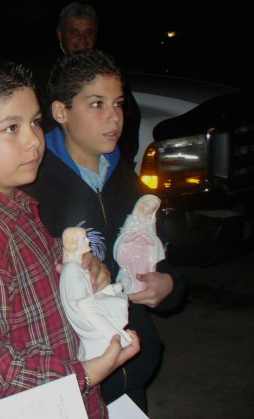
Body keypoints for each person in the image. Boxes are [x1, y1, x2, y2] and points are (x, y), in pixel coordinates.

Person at [0, 56, 140, 418]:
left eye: (35, 122)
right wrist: (88, 372)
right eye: (11, 128)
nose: (34, 141)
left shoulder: (16, 206)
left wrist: (83, 275)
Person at [23, 48, 185, 411]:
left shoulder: (129, 183)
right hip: (74, 381)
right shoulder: (33, 187)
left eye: (118, 103)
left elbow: (161, 259)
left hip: (133, 373)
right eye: (96, 104)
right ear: (61, 111)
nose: (114, 118)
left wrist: (168, 286)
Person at [36, 2, 141, 167]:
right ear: (60, 34)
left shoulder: (108, 69)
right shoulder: (41, 71)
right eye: (75, 32)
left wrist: (123, 164)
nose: (83, 40)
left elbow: (131, 118)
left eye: (89, 33)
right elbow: (43, 124)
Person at [61, 227, 133, 360]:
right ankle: (115, 337)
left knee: (116, 296)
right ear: (73, 244)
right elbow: (81, 299)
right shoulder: (71, 267)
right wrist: (103, 294)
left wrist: (105, 291)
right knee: (112, 305)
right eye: (84, 238)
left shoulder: (77, 264)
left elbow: (89, 291)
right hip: (83, 309)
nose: (88, 240)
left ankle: (116, 337)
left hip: (87, 303)